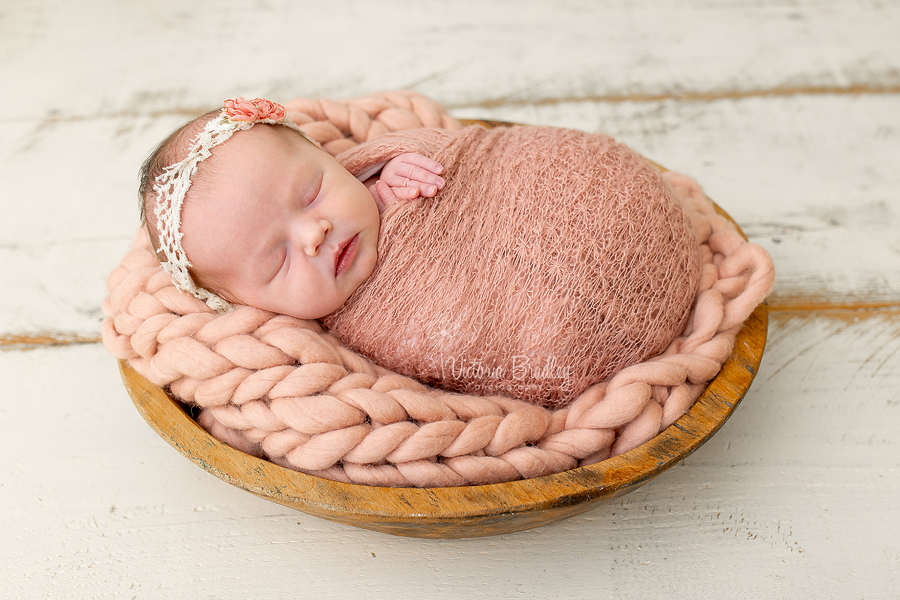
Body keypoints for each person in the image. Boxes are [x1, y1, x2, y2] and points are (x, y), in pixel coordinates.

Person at [141, 97, 701, 407]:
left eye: (311, 193)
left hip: (573, 207)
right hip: (544, 320)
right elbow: (431, 354)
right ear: (247, 306)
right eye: (277, 261)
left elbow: (436, 159)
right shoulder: (341, 344)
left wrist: (392, 172)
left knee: (583, 176)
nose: (314, 234)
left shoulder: (373, 178)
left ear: (334, 161)